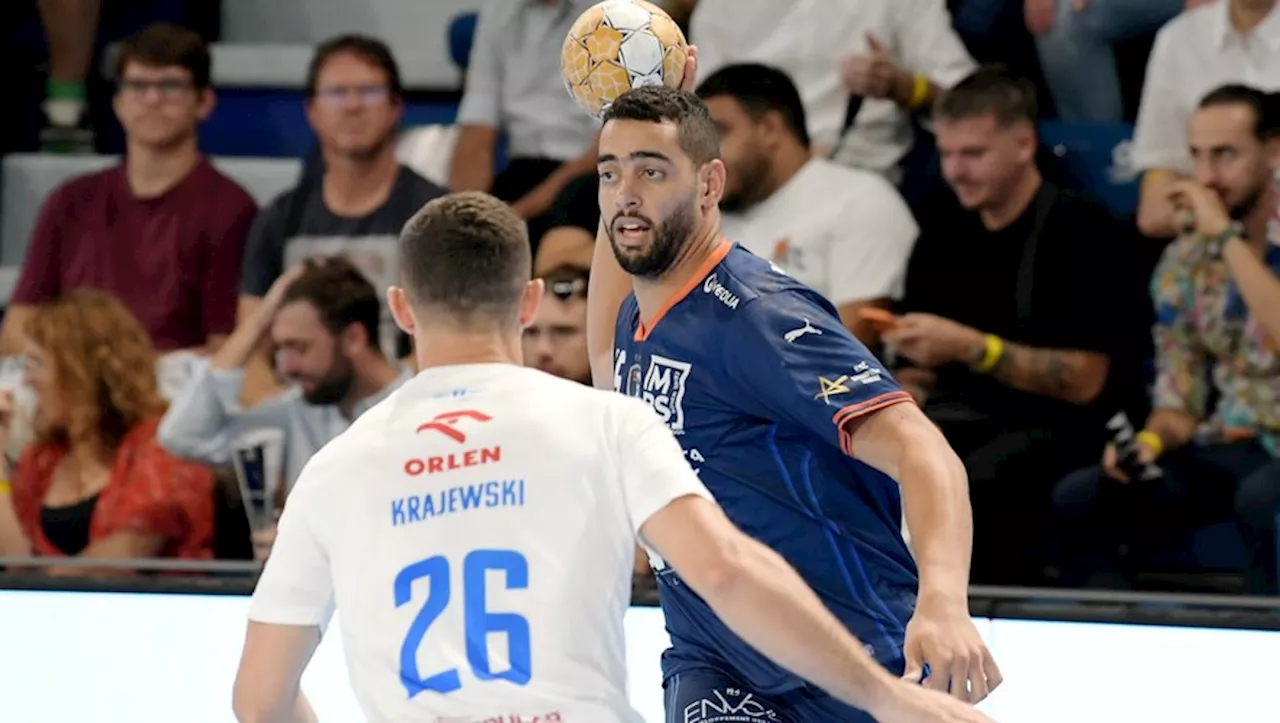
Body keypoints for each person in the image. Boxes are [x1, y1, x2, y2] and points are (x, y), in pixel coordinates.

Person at [231, 191, 997, 723]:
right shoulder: (604, 423)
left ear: (400, 310)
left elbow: (259, 699)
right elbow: (726, 570)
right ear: (530, 304)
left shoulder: (334, 468)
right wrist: (880, 691)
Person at [586, 83, 999, 719]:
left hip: (852, 663)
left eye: (652, 169)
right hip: (717, 664)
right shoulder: (635, 319)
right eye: (609, 174)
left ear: (709, 184)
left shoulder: (758, 319)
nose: (626, 194)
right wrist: (653, 96)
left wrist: (944, 602)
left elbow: (924, 451)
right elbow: (606, 365)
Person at [1054, 85, 1280, 594]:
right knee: (1085, 495)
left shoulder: (1215, 237)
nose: (1205, 178)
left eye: (1225, 155)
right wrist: (1149, 443)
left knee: (1263, 501)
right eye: (1196, 156)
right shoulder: (1186, 259)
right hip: (1229, 442)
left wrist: (1226, 237)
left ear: (1273, 151)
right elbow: (1180, 399)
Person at [0, 290, 215, 571]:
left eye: (37, 363)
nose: (26, 379)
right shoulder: (42, 458)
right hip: (51, 613)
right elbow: (18, 569)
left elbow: (116, 565)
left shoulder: (164, 445)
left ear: (84, 371)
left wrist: (39, 590)